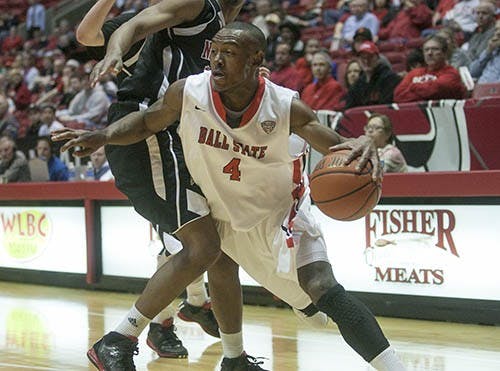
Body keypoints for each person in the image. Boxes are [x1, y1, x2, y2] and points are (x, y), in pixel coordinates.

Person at [54, 21, 407, 371]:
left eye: (230, 53)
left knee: (322, 293)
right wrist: (103, 135)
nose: (217, 61)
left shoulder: (284, 106)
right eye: (215, 52)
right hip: (225, 213)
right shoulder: (189, 92)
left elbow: (340, 147)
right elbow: (147, 122)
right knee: (216, 259)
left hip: (280, 218)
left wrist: (364, 144)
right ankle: (234, 359)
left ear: (255, 60)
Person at [75, 0, 225, 361]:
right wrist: (113, 46)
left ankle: (194, 303)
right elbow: (87, 34)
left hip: (178, 132)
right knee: (190, 240)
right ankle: (155, 326)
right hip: (147, 133)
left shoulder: (209, 16)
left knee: (199, 232)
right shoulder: (145, 23)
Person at [394, 35, 467, 102]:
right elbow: (398, 96)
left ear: (444, 53)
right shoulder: (414, 73)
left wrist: (413, 86)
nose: (429, 53)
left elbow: (437, 90)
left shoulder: (451, 73)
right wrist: (427, 94)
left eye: (435, 49)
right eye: (426, 50)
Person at [344, 41, 401, 108]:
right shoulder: (357, 85)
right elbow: (349, 109)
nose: (366, 61)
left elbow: (387, 107)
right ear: (359, 60)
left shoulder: (390, 79)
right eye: (363, 58)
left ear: (377, 58)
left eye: (370, 57)